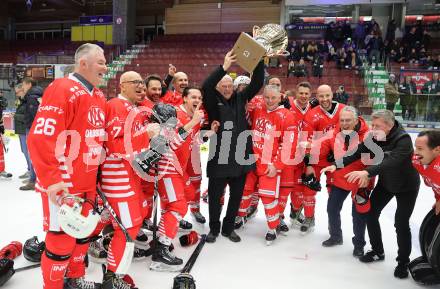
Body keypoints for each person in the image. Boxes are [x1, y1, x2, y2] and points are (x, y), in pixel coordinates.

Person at [27, 43, 107, 289]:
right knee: (61, 239)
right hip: (64, 182)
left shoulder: (98, 95)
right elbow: (40, 137)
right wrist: (52, 180)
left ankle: (74, 280)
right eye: (101, 62)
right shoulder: (62, 88)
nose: (106, 67)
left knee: (83, 234)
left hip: (87, 182)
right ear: (83, 64)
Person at [332, 110, 420, 279]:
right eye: (372, 125)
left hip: (406, 187)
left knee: (400, 223)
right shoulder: (374, 136)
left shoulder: (404, 140)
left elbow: (391, 162)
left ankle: (403, 262)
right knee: (371, 214)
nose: (372, 129)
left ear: (389, 126)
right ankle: (377, 251)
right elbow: (357, 151)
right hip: (386, 183)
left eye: (377, 126)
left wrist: (367, 173)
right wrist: (336, 165)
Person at [99, 71, 156, 287]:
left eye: (143, 82)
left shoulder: (133, 109)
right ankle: (113, 277)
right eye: (136, 83)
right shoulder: (116, 105)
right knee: (128, 227)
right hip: (118, 177)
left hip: (129, 176)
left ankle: (96, 251)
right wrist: (147, 135)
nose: (141, 86)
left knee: (128, 222)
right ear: (122, 86)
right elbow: (116, 145)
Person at [202, 50, 264, 243]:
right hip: (219, 158)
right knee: (214, 196)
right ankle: (214, 228)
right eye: (224, 85)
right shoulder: (213, 101)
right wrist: (224, 67)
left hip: (241, 157)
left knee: (236, 197)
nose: (227, 88)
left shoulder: (241, 97)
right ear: (218, 87)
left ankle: (229, 229)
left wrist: (259, 58)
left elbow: (257, 82)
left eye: (230, 85)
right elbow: (206, 85)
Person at [236, 84, 296, 244]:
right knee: (245, 191)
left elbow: (289, 144)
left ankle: (272, 227)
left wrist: (277, 165)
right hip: (251, 161)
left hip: (269, 164)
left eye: (273, 98)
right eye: (267, 97)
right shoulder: (257, 108)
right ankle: (240, 217)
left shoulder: (287, 115)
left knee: (267, 197)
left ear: (280, 97)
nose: (270, 101)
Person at [318, 107, 370, 257]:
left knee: (358, 215)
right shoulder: (335, 132)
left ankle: (359, 244)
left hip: (359, 180)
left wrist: (368, 179)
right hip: (341, 177)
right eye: (342, 120)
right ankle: (336, 236)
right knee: (332, 208)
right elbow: (323, 145)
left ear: (356, 120)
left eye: (348, 120)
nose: (345, 123)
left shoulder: (368, 135)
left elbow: (374, 162)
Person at [301, 84, 346, 233]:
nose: (325, 99)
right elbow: (307, 141)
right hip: (317, 159)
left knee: (333, 194)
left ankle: (333, 225)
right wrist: (308, 164)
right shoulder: (311, 114)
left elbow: (353, 133)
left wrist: (341, 152)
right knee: (308, 189)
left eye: (327, 95)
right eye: (321, 96)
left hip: (336, 160)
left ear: (332, 95)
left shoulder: (343, 110)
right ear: (317, 96)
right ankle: (309, 218)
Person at [20, 77, 43, 190]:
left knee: (32, 154)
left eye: (23, 84)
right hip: (34, 129)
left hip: (33, 129)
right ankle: (34, 178)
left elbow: (35, 116)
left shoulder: (32, 97)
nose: (22, 87)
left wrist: (33, 129)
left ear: (29, 84)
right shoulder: (35, 95)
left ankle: (33, 180)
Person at [412, 130, 440, 213]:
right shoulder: (417, 161)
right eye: (416, 147)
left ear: (437, 150)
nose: (415, 152)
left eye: (420, 149)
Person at [13, 84, 31, 179]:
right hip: (21, 130)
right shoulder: (22, 101)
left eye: (17, 92)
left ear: (22, 90)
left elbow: (29, 117)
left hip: (25, 130)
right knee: (24, 151)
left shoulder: (28, 101)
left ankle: (31, 172)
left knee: (27, 151)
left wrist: (15, 116)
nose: (16, 94)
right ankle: (29, 170)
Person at [0, 90, 12, 179]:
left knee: (0, 150)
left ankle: (1, 170)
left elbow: (4, 104)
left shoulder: (2, 101)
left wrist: (1, 126)